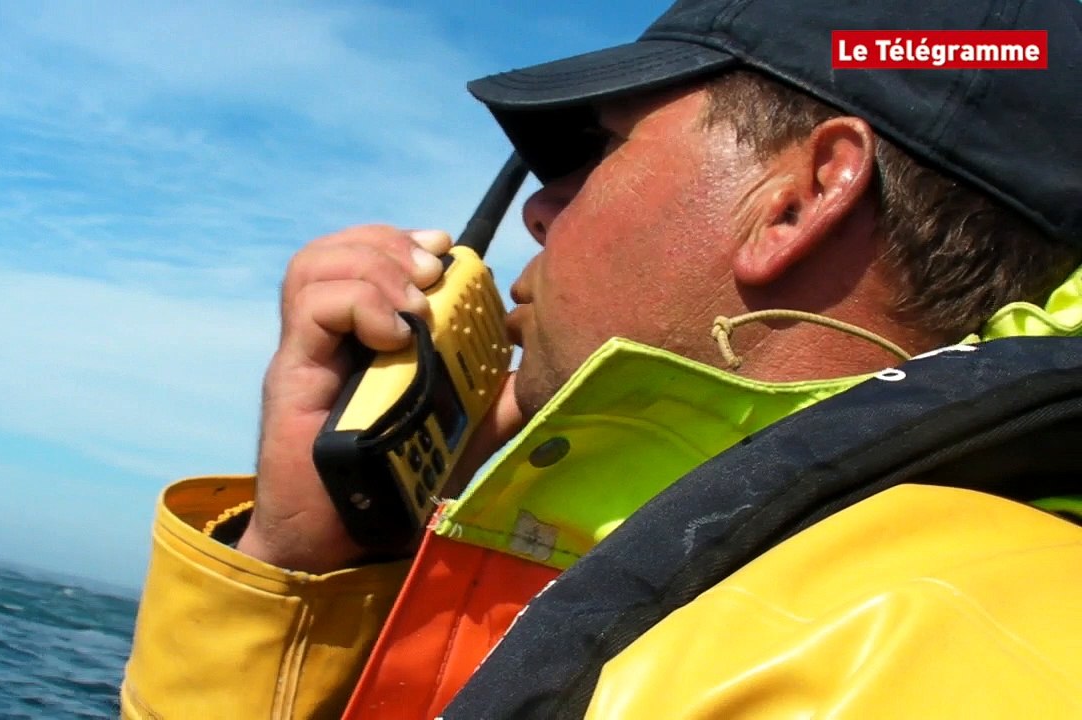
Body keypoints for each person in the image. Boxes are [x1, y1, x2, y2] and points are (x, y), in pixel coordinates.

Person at [121, 0, 1082, 717]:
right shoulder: (746, 592)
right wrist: (307, 561)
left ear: (795, 202)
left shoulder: (920, 656)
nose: (540, 210)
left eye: (602, 146)